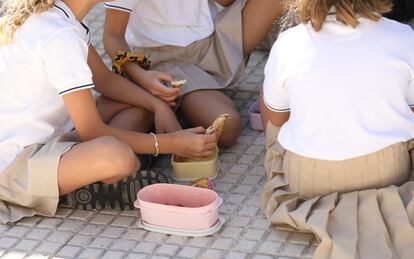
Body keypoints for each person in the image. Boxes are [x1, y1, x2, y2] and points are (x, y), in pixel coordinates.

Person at [0, 0, 217, 223]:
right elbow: (92, 132)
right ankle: (79, 186)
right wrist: (171, 143)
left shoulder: (61, 20)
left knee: (138, 105)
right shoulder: (59, 35)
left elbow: (103, 80)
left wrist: (157, 105)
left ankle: (95, 174)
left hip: (50, 138)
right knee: (118, 156)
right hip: (15, 169)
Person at [260, 0, 414, 257]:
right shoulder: (403, 36)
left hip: (307, 179)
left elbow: (276, 119)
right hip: (388, 171)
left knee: (270, 101)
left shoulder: (288, 42)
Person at [103, 0, 285, 147]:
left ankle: (301, 76)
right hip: (167, 65)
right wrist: (141, 77)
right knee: (228, 130)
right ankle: (175, 114)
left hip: (213, 41)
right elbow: (112, 36)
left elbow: (225, 2)